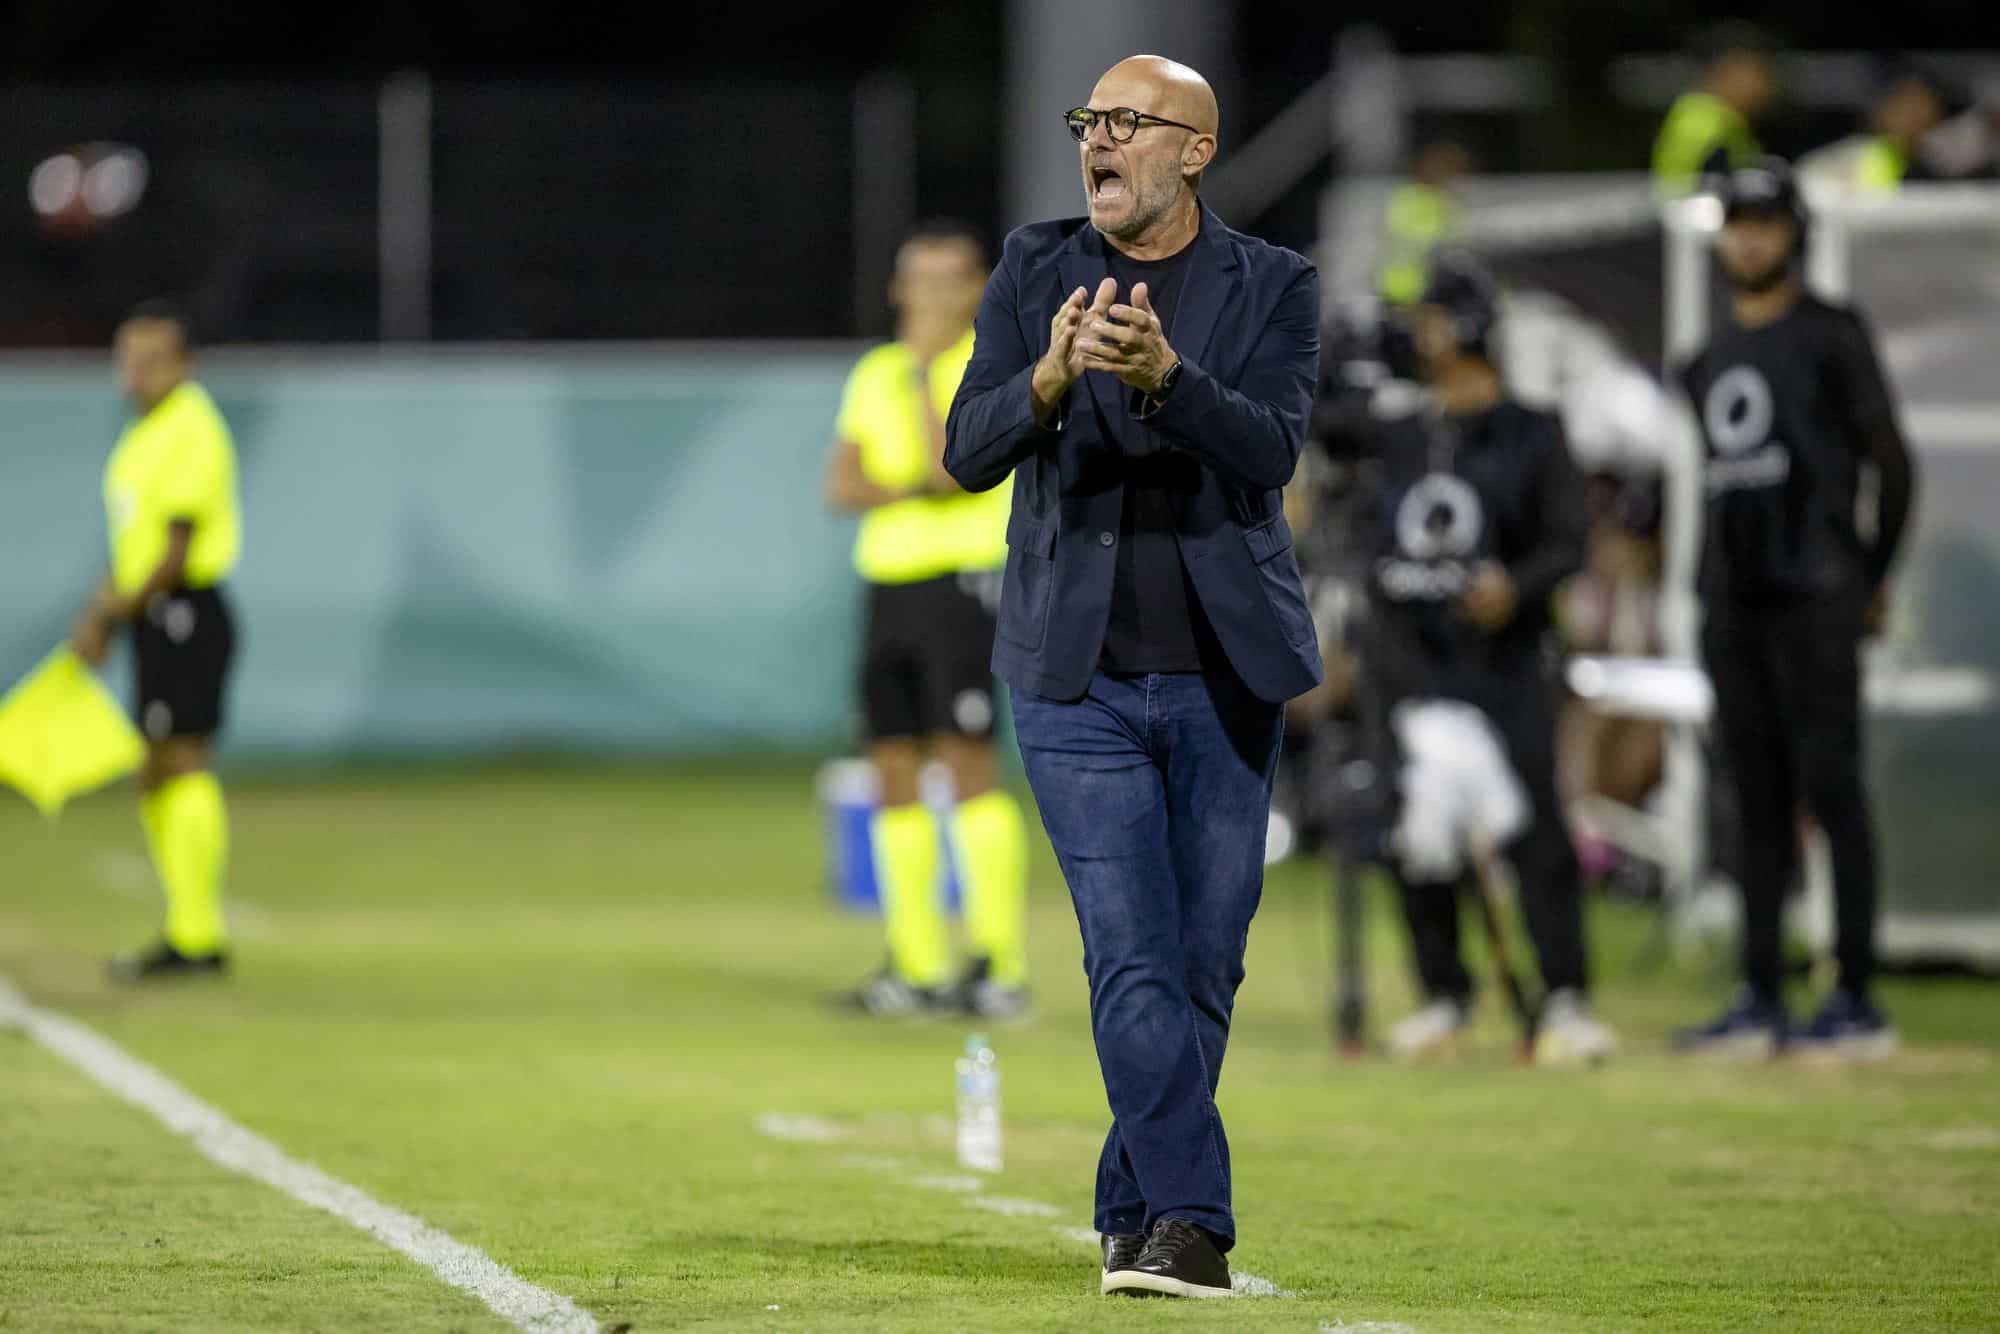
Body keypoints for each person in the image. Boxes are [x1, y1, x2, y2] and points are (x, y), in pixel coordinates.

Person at [944, 55, 1319, 1300]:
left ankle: (1130, 1206)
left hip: (1224, 675)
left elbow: (1268, 449)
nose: (1095, 140)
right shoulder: (1031, 265)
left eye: (1125, 121)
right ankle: (1194, 1226)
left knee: (1204, 961)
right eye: (1085, 121)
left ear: (1193, 150)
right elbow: (965, 448)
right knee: (1130, 954)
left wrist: (1166, 379)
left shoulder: (1274, 285)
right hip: (1076, 680)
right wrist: (1049, 376)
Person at [1672, 160, 1916, 1060]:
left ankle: (1852, 997)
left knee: (1833, 790)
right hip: (1732, 604)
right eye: (1737, 222)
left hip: (1815, 593)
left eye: (1766, 222)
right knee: (1754, 802)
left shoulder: (1832, 334)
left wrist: (1868, 576)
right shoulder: (1703, 361)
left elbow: (1892, 463)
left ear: (1795, 233)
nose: (1750, 238)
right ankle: (1762, 996)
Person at [1358, 257, 1616, 1067]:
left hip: (1504, 662)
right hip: (1413, 661)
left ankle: (1564, 995)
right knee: (1415, 833)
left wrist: (1518, 587)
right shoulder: (1399, 432)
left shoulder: (1532, 430)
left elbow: (1567, 542)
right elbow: (1367, 534)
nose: (1417, 332)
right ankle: (1445, 994)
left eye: (1432, 315)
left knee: (1533, 827)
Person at [823, 221, 1030, 1021]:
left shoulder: (984, 367)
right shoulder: (874, 370)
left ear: (976, 288)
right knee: (891, 772)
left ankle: (998, 966)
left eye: (950, 279)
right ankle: (914, 967)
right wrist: (902, 480)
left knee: (968, 765)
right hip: (888, 582)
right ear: (899, 289)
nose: (933, 295)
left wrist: (919, 392)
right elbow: (841, 485)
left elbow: (950, 474)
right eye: (920, 279)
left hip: (961, 584)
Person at [68, 302, 241, 982]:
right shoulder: (147, 433)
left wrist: (114, 610)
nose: (135, 373)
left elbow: (174, 550)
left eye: (152, 360)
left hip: (184, 611)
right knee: (158, 768)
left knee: (183, 760)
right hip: (157, 614)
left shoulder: (191, 427)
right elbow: (136, 545)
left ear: (185, 364)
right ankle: (188, 929)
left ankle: (198, 937)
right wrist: (106, 611)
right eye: (128, 359)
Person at [1652, 25, 1778, 192]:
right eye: (1759, 71)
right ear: (1729, 70)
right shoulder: (1705, 127)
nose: (1767, 84)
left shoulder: (1710, 117)